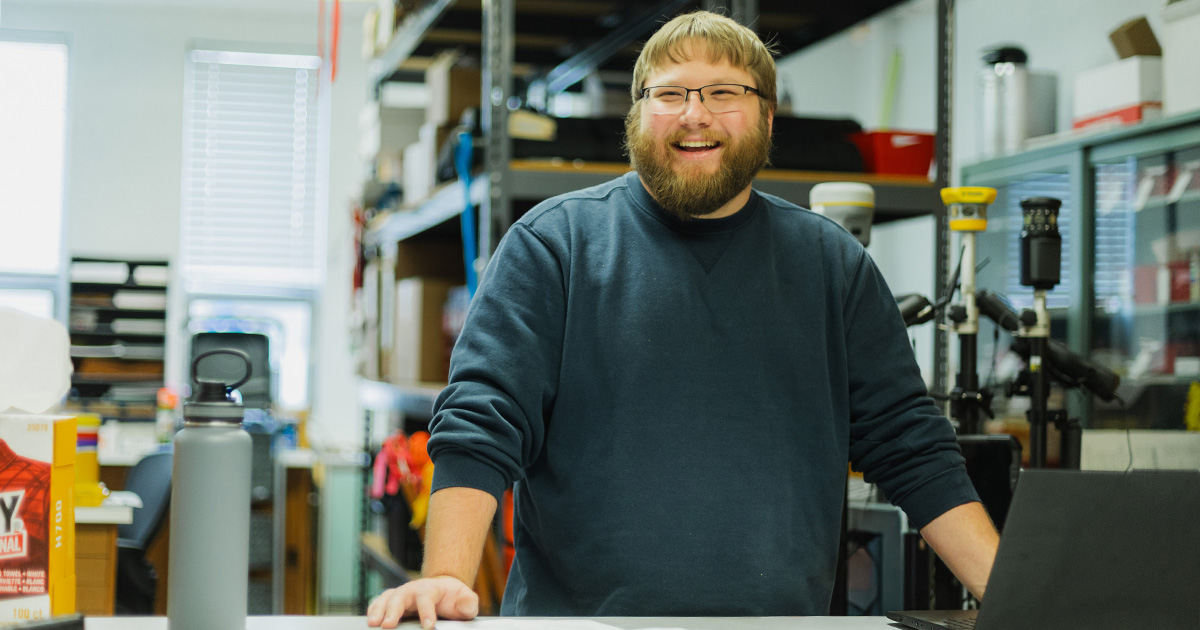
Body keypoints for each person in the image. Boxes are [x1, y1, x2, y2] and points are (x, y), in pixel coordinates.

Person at [367, 10, 999, 629]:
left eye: (725, 92)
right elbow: (483, 418)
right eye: (668, 94)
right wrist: (446, 573)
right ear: (637, 115)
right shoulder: (554, 245)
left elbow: (911, 447)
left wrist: (1013, 600)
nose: (695, 114)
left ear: (768, 116)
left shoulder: (835, 266)